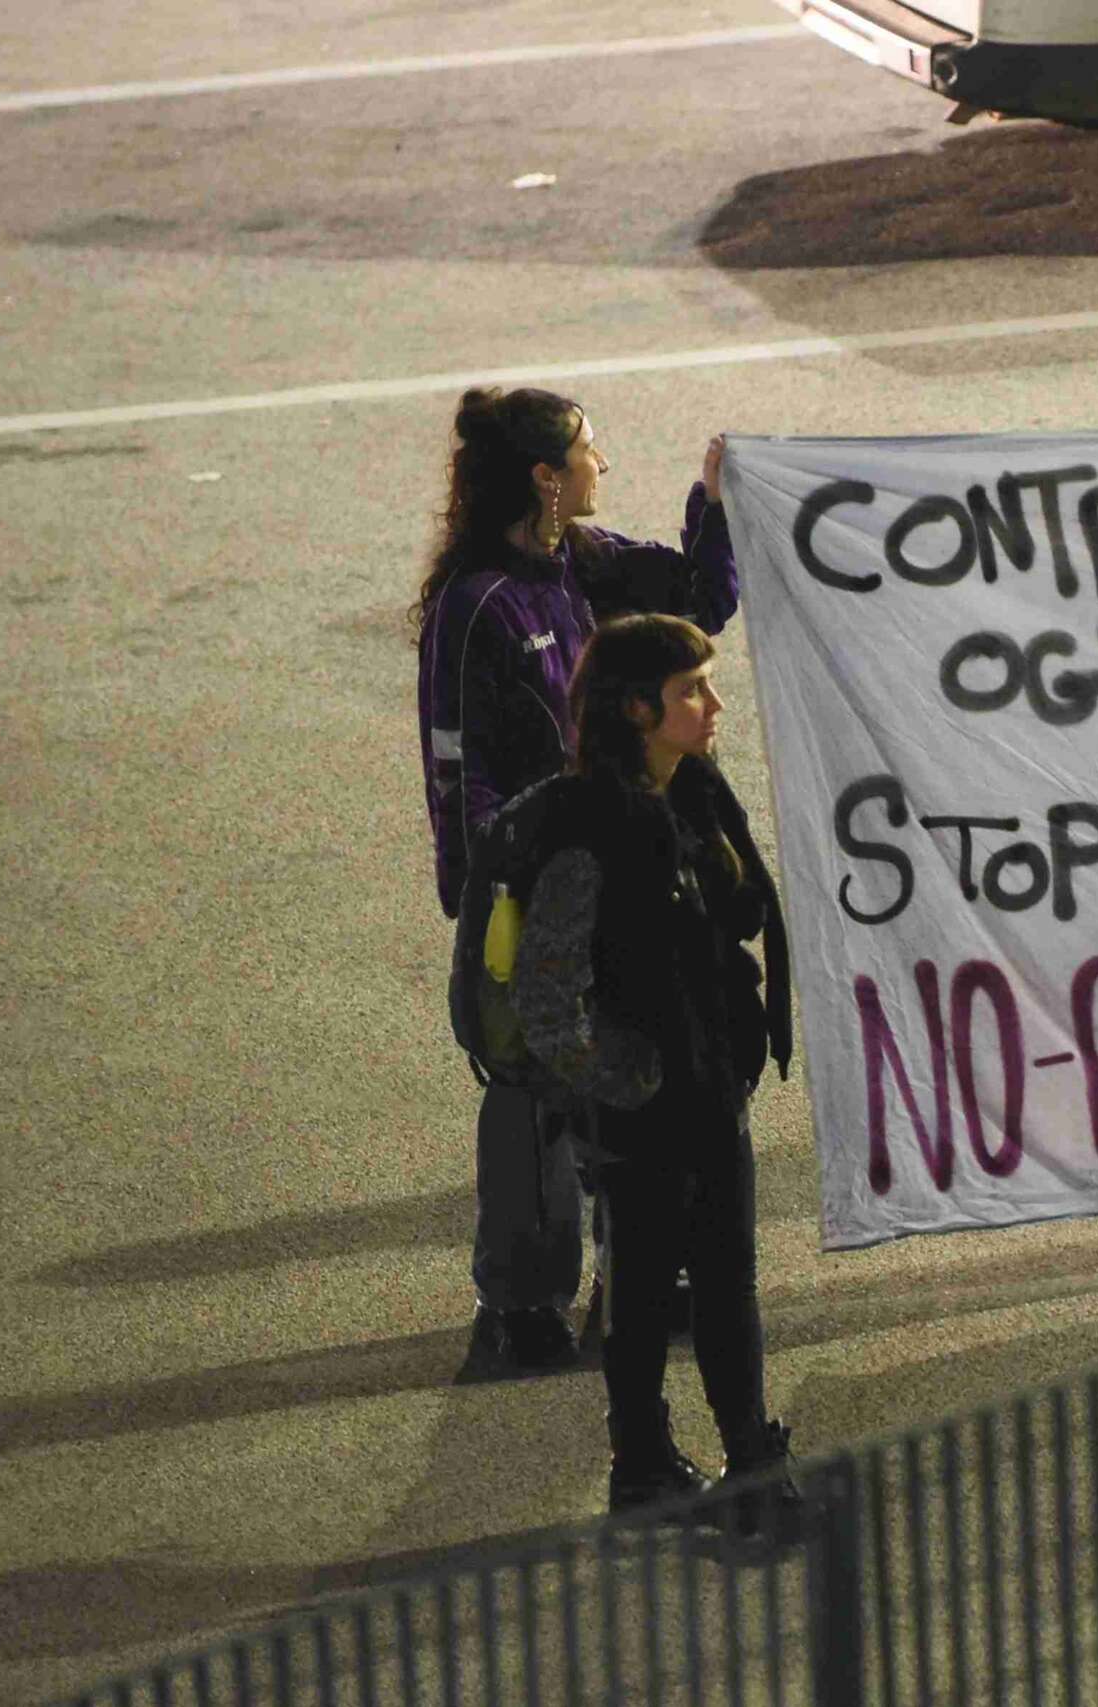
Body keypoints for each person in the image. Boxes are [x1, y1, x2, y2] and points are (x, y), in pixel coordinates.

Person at [413, 387, 741, 1371]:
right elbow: (456, 767)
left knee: (645, 1066)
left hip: (623, 870)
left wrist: (713, 501)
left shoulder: (587, 564)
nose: (604, 463)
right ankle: (519, 1307)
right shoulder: (476, 607)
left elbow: (698, 601)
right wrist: (487, 887)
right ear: (546, 478)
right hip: (534, 887)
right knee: (533, 1093)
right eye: (590, 451)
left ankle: (643, 1275)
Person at [508, 613, 796, 1516]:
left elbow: (738, 913)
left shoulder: (695, 791)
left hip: (712, 1091)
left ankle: (699, 1462)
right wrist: (628, 1081)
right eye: (690, 690)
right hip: (648, 1113)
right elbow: (546, 1000)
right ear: (637, 709)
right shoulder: (587, 830)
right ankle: (691, 1466)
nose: (713, 705)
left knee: (706, 1284)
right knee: (653, 1289)